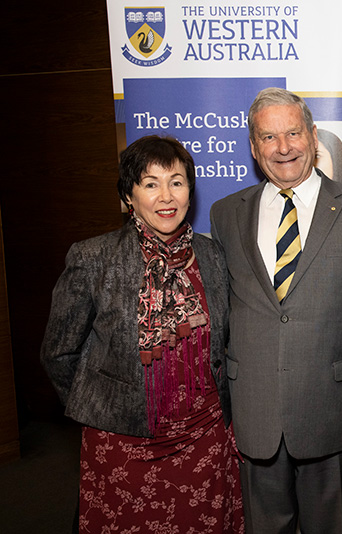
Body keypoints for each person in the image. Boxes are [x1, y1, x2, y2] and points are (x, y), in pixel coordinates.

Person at [210, 87, 342, 534]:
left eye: (294, 133)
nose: (283, 148)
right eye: (268, 137)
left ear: (313, 136)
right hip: (254, 411)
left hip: (330, 411)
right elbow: (220, 319)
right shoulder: (226, 214)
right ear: (253, 145)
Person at [40, 135, 244, 533]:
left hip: (204, 438)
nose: (166, 196)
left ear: (190, 191)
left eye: (177, 181)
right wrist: (102, 407)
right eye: (151, 184)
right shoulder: (93, 257)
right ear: (129, 195)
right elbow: (58, 353)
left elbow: (228, 342)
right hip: (123, 445)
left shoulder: (213, 257)